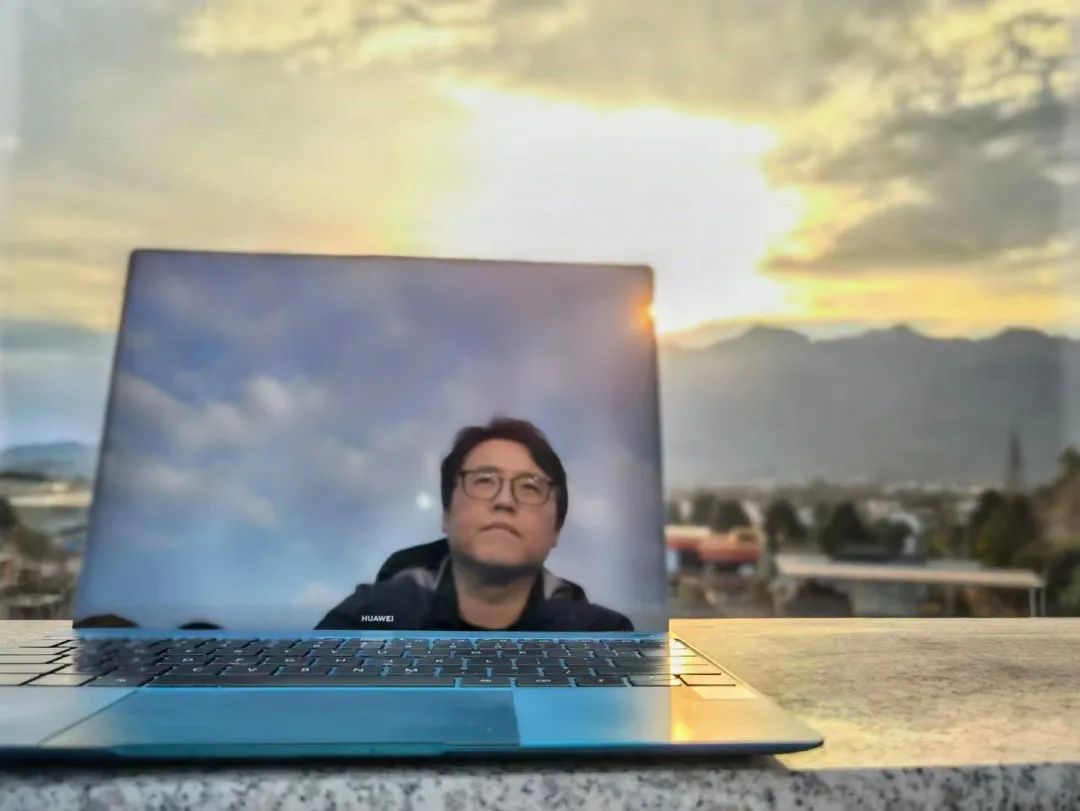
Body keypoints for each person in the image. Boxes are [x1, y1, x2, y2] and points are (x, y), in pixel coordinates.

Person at [316, 416, 633, 631]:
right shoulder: (372, 617)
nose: (504, 501)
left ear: (556, 530)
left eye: (530, 487)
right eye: (484, 481)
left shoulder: (601, 636)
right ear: (446, 515)